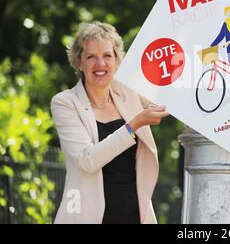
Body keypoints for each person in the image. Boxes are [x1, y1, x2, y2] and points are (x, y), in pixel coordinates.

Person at [50, 21, 169, 224]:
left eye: (107, 56)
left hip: (136, 216)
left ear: (116, 59)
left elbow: (168, 91)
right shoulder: (65, 103)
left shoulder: (129, 92)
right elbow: (88, 160)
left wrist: (171, 16)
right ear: (79, 62)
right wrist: (134, 124)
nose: (100, 64)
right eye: (91, 57)